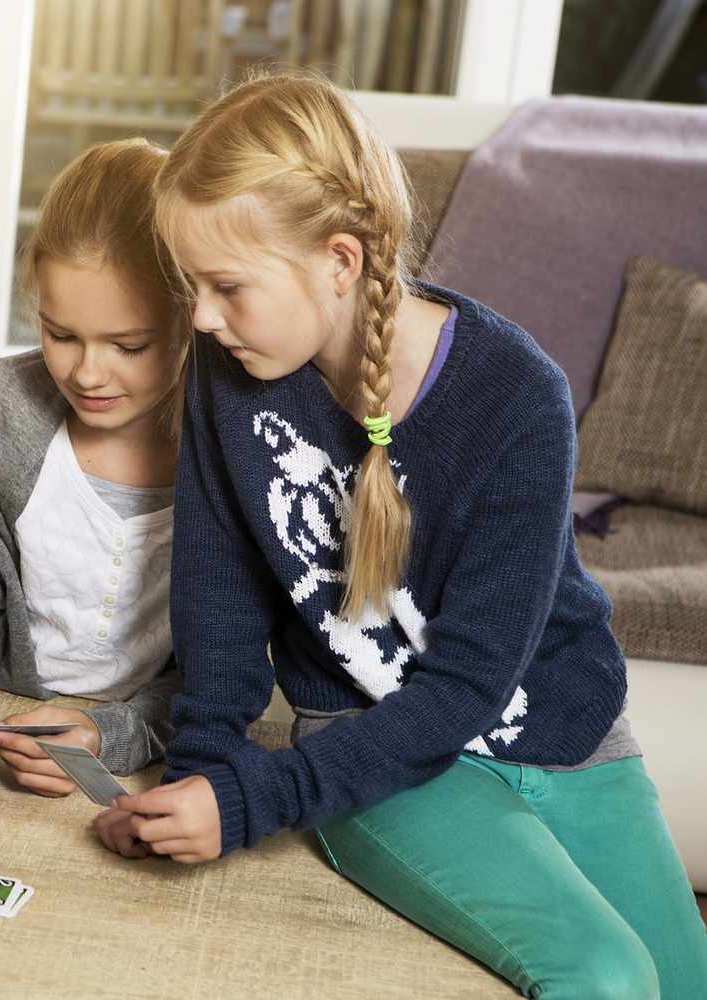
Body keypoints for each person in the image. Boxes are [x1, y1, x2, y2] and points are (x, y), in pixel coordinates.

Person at [93, 72, 707, 998]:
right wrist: (209, 784)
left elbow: (467, 682)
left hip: (561, 730)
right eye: (190, 287)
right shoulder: (226, 375)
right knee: (605, 974)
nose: (203, 319)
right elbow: (218, 604)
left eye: (226, 286)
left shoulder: (518, 398)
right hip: (367, 746)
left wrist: (244, 798)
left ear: (339, 261)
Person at [0, 140, 191, 801]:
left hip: (149, 740)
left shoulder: (236, 444)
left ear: (192, 316)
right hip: (2, 707)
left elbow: (223, 679)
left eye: (129, 345)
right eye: (60, 333)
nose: (87, 373)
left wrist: (110, 733)